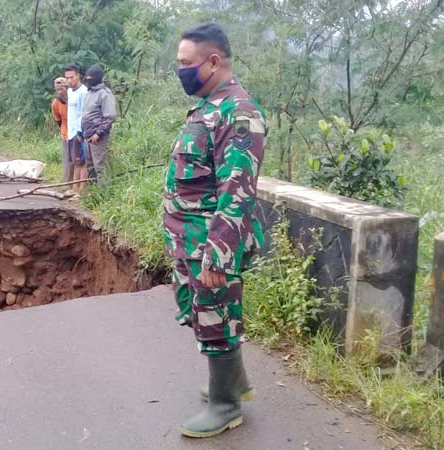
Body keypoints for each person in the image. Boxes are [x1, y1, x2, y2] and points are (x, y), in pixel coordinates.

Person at [163, 23, 267, 439]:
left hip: (210, 241)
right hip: (188, 238)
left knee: (216, 316)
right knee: (203, 311)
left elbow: (237, 191)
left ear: (213, 61)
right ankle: (233, 383)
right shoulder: (208, 107)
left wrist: (218, 255)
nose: (181, 72)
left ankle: (226, 406)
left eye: (186, 64)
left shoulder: (237, 113)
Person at [81, 64, 116, 185]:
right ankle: (93, 195)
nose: (88, 78)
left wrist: (98, 133)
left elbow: (110, 116)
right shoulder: (89, 92)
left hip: (97, 137)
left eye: (90, 76)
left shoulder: (104, 94)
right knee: (90, 167)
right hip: (87, 135)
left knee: (99, 167)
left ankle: (103, 195)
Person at [64, 64, 87, 183]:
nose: (69, 80)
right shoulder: (69, 91)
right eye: (67, 78)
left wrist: (80, 131)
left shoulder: (84, 92)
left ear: (78, 76)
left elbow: (84, 113)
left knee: (82, 163)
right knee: (75, 162)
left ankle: (80, 191)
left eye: (71, 77)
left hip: (79, 132)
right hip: (70, 132)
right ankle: (74, 188)